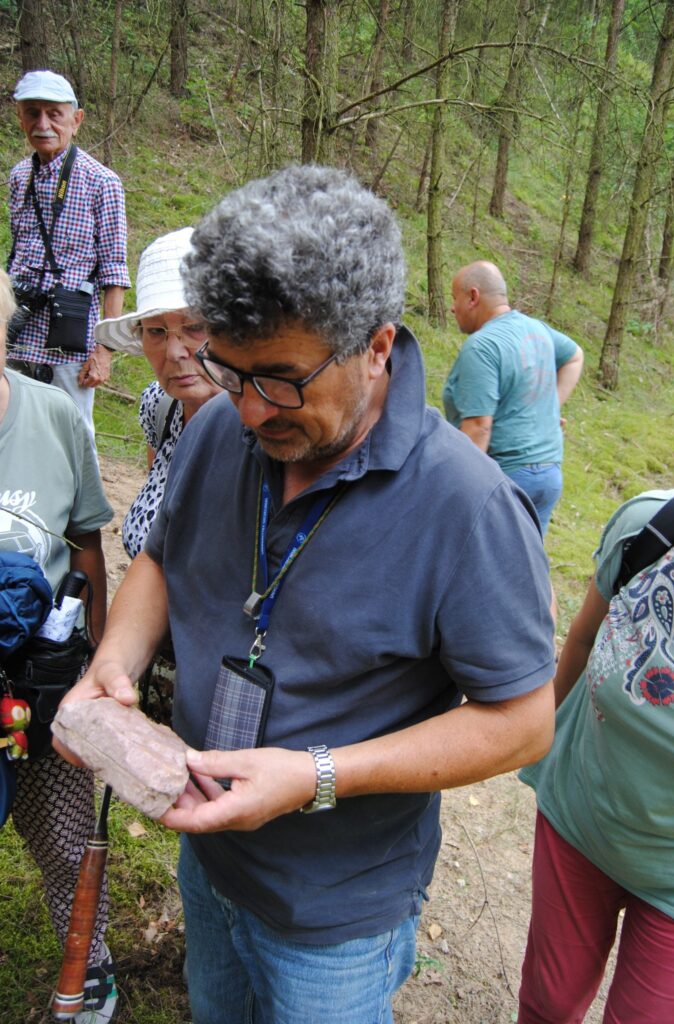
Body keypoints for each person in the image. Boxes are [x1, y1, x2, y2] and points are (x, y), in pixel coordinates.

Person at [57, 165, 556, 1024]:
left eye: (282, 378)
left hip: (335, 914)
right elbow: (164, 560)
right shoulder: (220, 424)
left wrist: (316, 776)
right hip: (209, 862)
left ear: (375, 345)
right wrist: (116, 659)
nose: (250, 411)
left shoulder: (466, 506)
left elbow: (522, 719)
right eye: (232, 370)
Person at [518, 489, 674, 1023]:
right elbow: (584, 638)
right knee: (548, 1003)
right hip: (580, 819)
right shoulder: (651, 527)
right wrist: (539, 742)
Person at [0, 268, 117, 1023]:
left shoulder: (53, 417)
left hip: (38, 682)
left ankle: (91, 969)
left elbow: (86, 550)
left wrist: (101, 670)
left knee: (70, 843)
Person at [7, 69, 130, 454]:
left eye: (54, 114)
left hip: (70, 339)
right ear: (20, 119)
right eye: (32, 113)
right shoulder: (18, 177)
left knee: (73, 438)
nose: (42, 124)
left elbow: (114, 273)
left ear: (76, 120)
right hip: (18, 333)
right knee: (13, 431)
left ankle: (82, 515)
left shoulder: (101, 182)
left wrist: (105, 351)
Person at [95, 226, 221, 560]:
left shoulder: (269, 428)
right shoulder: (161, 405)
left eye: (194, 326)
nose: (174, 351)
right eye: (156, 331)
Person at [442, 261, 583, 534]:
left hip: (507, 478)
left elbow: (479, 427)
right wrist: (550, 412)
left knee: (488, 566)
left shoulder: (482, 346)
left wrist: (457, 491)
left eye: (454, 298)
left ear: (473, 296)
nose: (452, 307)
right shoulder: (536, 329)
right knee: (525, 566)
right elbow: (575, 355)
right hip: (548, 473)